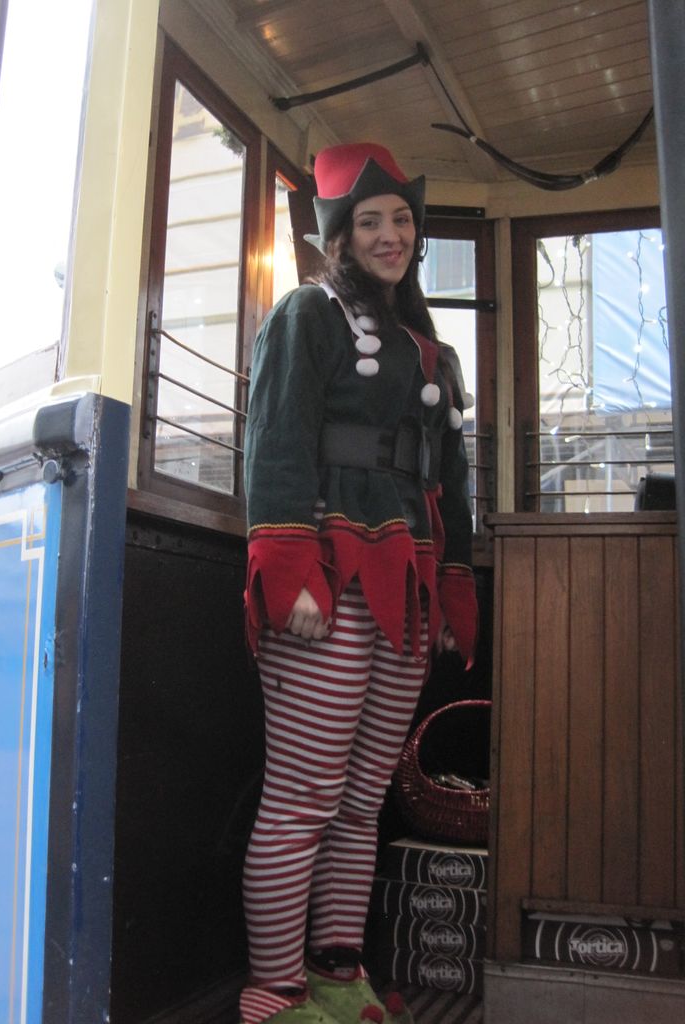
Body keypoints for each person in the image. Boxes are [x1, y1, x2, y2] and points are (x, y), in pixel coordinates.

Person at [239, 142, 477, 1024]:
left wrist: (452, 592)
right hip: (329, 580)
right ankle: (275, 991)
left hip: (405, 590)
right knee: (303, 795)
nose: (390, 235)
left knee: (360, 797)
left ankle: (339, 975)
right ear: (337, 236)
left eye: (402, 219)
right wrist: (289, 572)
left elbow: (451, 484)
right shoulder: (307, 314)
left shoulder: (430, 352)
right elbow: (276, 441)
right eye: (369, 221)